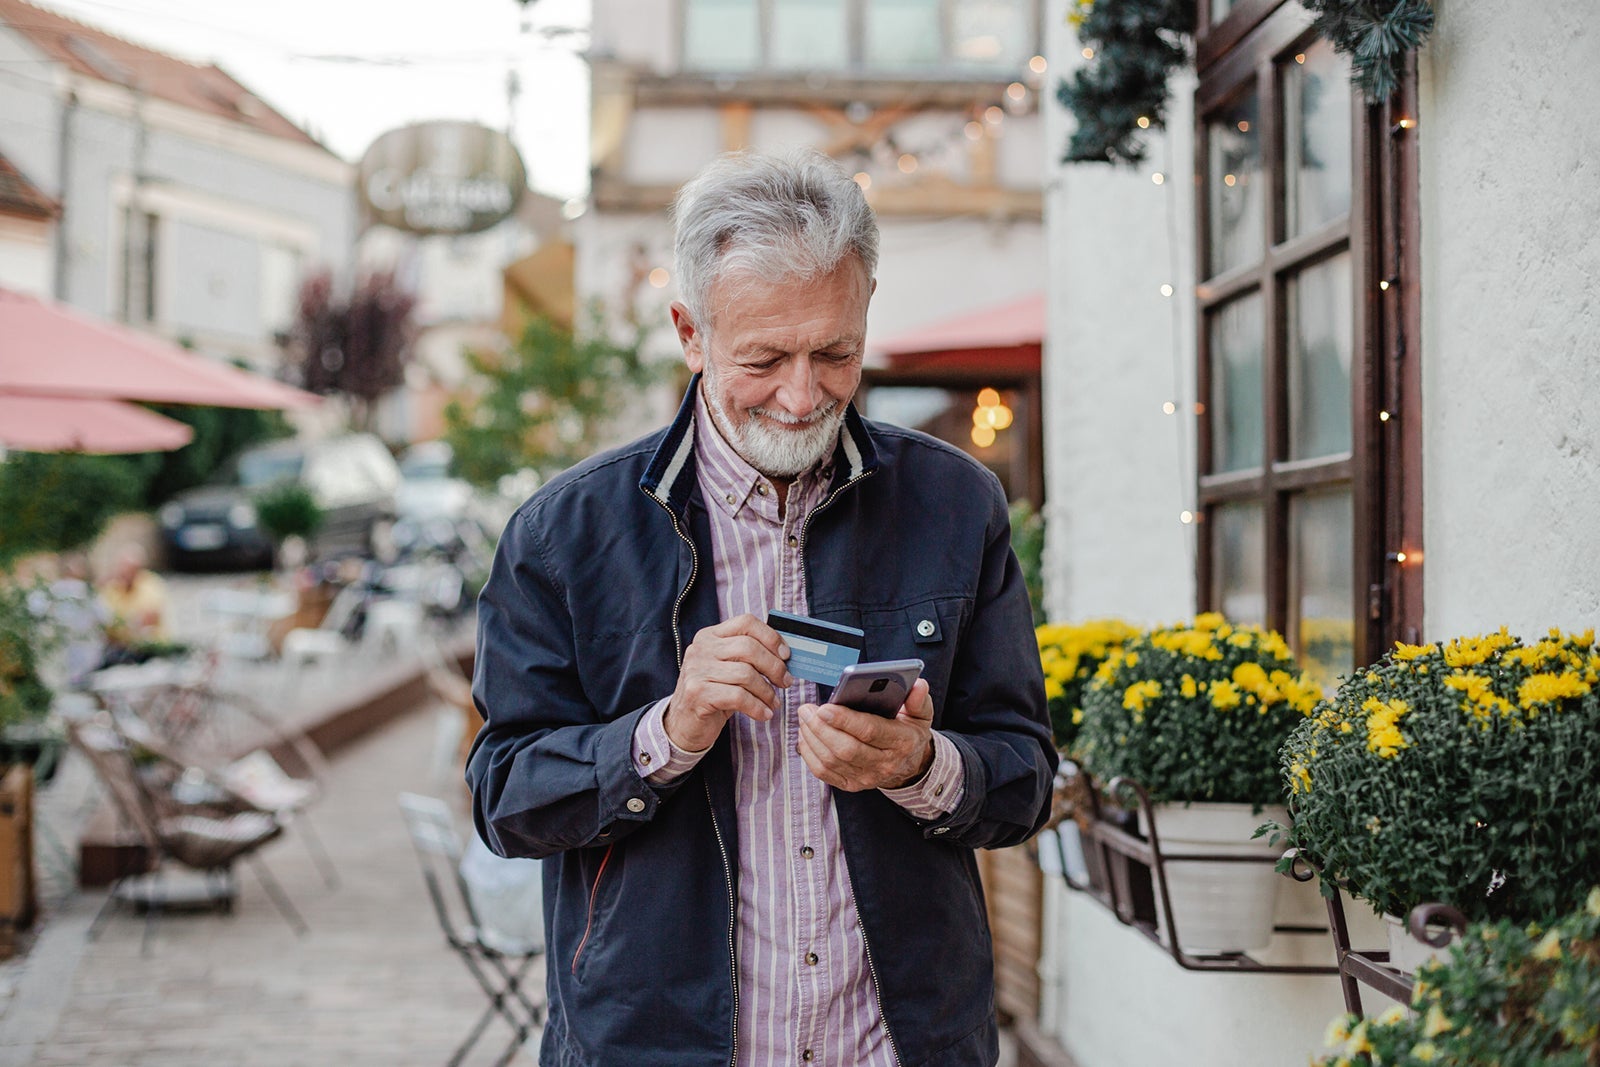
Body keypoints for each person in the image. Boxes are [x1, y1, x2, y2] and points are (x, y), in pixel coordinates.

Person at [468, 148, 1056, 1067]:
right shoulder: (562, 535)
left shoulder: (957, 503)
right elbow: (504, 797)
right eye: (763, 357)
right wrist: (664, 730)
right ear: (690, 332)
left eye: (835, 353)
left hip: (901, 1045)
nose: (801, 393)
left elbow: (1024, 776)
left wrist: (922, 764)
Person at [97, 543, 169, 658]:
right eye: (123, 569)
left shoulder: (150, 584)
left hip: (147, 647)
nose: (126, 573)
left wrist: (122, 624)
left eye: (130, 569)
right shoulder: (112, 588)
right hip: (119, 647)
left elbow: (150, 618)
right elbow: (103, 619)